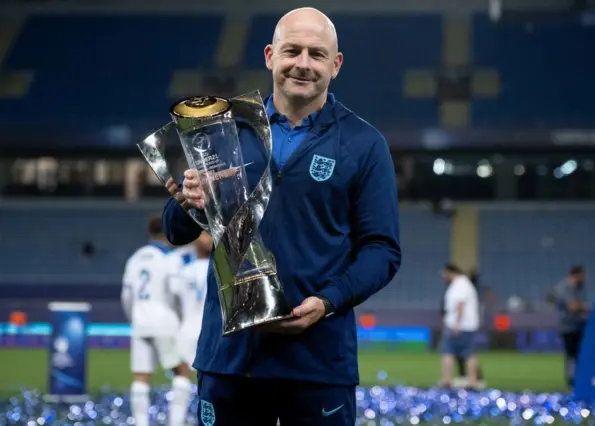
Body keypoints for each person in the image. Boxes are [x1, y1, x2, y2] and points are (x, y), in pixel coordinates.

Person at [162, 7, 401, 426]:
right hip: (230, 359)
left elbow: (382, 250)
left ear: (336, 64)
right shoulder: (224, 132)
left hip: (318, 361)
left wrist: (327, 303)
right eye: (292, 51)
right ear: (271, 55)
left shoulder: (365, 144)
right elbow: (176, 228)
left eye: (316, 53)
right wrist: (191, 201)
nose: (303, 64)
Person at [121, 216, 192, 426]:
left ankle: (141, 423)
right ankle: (176, 423)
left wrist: (133, 317)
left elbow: (127, 295)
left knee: (141, 377)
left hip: (140, 320)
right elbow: (176, 291)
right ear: (168, 233)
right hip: (165, 321)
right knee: (181, 371)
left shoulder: (136, 258)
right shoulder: (172, 259)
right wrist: (181, 318)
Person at [170, 231, 212, 369]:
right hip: (210, 330)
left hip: (186, 328)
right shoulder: (219, 272)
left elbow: (174, 297)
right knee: (207, 377)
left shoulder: (184, 272)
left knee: (182, 376)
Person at [439, 264, 480, 389]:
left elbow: (460, 305)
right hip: (463, 325)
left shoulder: (460, 285)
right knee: (465, 353)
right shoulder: (462, 284)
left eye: (444, 274)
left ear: (450, 272)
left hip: (460, 326)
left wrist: (457, 324)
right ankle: (469, 380)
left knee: (450, 352)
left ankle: (451, 380)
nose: (443, 277)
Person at [552, 265, 590, 388]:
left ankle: (579, 378)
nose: (585, 278)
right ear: (576, 274)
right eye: (583, 275)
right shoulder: (564, 288)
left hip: (580, 326)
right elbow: (573, 306)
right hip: (568, 326)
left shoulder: (580, 288)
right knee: (571, 354)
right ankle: (572, 379)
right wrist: (586, 308)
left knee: (580, 354)